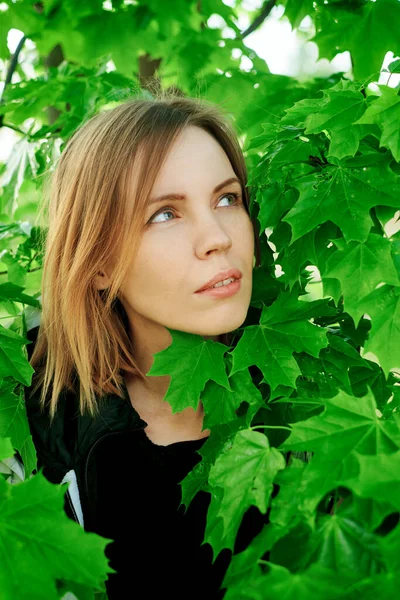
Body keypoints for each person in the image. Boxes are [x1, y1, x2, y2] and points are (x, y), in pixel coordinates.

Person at [25, 92, 263, 599]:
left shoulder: (323, 406)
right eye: (164, 214)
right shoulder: (32, 430)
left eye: (227, 199)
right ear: (100, 263)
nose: (216, 237)